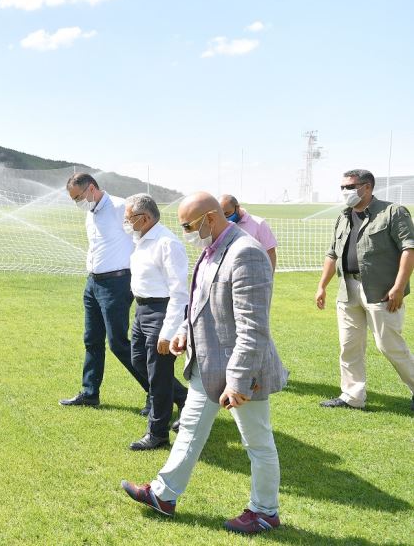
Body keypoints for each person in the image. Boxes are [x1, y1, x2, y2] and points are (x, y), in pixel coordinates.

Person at [121, 192, 289, 535]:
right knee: (189, 433)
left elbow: (253, 328)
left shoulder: (247, 254)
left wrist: (238, 381)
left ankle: (265, 511)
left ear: (210, 218)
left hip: (242, 373)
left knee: (257, 441)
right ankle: (163, 495)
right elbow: (200, 303)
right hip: (206, 365)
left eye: (188, 226)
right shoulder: (211, 250)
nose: (185, 232)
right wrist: (184, 331)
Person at [315, 169, 414, 411]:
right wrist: (322, 286)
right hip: (347, 290)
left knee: (389, 345)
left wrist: (399, 287)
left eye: (350, 187)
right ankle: (352, 396)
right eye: (342, 188)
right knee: (349, 346)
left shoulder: (393, 212)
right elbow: (332, 254)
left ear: (367, 187)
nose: (345, 192)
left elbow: (409, 249)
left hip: (382, 291)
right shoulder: (343, 216)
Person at [59, 173, 148, 409]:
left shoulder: (121, 207)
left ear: (91, 189)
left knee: (118, 343)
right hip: (93, 283)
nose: (78, 203)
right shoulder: (91, 214)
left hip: (117, 283)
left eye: (78, 197)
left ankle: (156, 393)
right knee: (91, 339)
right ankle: (90, 392)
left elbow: (142, 238)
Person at [122, 193, 189, 450]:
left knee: (159, 374)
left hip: (162, 311)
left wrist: (168, 331)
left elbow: (179, 292)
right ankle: (183, 398)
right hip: (142, 310)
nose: (127, 223)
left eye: (129, 219)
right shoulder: (141, 240)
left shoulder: (166, 243)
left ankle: (157, 433)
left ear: (145, 217)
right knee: (139, 360)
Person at [220, 194, 278, 271]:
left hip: (255, 275)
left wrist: (270, 276)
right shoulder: (221, 225)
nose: (225, 217)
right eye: (222, 214)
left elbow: (270, 251)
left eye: (227, 213)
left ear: (237, 207)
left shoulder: (258, 224)